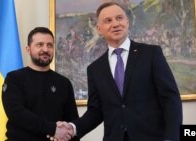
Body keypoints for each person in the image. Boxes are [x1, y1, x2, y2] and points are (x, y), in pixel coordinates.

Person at [57, 2, 183, 141]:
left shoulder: (151, 54)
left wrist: (172, 137)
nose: (116, 24)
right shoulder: (95, 69)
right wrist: (73, 128)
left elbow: (170, 99)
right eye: (108, 21)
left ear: (127, 22)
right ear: (99, 29)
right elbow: (96, 111)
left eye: (119, 18)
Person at [1, 27, 79, 141]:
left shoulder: (64, 83)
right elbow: (16, 114)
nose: (45, 49)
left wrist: (67, 132)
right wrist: (52, 129)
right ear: (28, 49)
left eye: (49, 45)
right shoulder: (14, 78)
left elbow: (72, 122)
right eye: (40, 45)